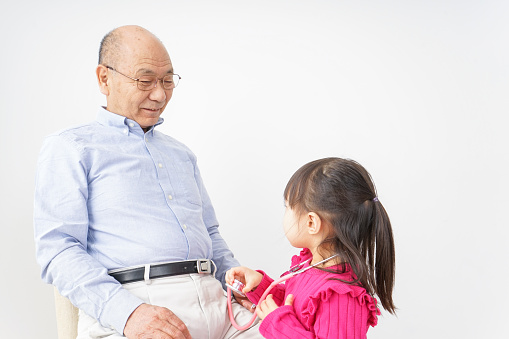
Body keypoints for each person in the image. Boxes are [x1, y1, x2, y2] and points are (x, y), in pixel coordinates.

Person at [34, 25, 261, 339]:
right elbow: (58, 251)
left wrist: (237, 283)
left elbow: (210, 234)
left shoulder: (182, 154)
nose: (160, 94)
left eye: (168, 81)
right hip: (137, 304)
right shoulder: (71, 148)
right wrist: (127, 313)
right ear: (104, 78)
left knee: (294, 330)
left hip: (218, 302)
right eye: (145, 80)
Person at [226, 157, 396, 338]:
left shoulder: (339, 296)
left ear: (311, 222)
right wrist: (260, 285)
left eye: (288, 206)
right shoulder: (310, 266)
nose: (285, 214)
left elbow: (290, 321)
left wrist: (279, 325)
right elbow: (296, 309)